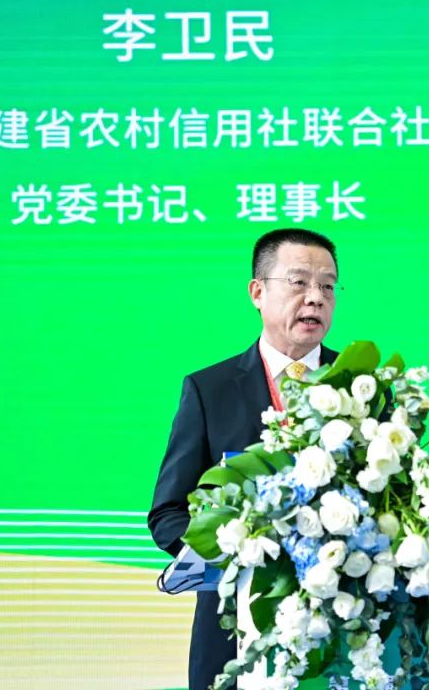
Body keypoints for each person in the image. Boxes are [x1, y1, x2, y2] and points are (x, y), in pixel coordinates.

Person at [148, 228, 341, 690]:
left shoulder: (363, 386)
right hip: (233, 634)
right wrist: (235, 552)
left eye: (328, 286)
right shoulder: (209, 389)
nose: (315, 298)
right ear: (257, 292)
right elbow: (168, 513)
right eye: (298, 282)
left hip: (343, 628)